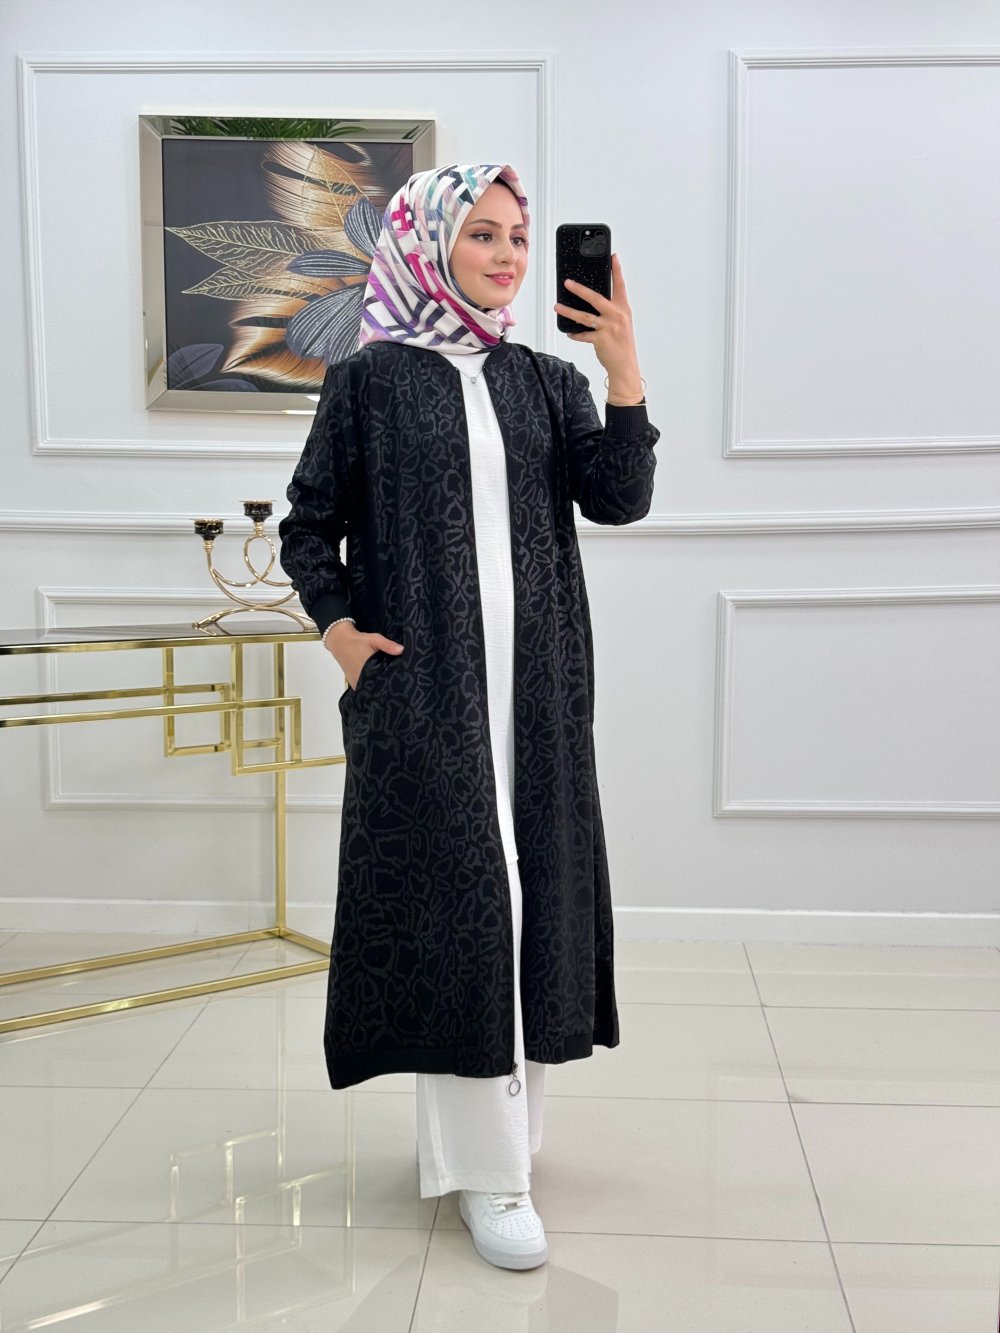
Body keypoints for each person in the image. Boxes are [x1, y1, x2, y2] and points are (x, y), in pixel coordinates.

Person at [278, 163, 659, 1270]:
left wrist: (622, 367)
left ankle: (503, 1147)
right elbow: (309, 525)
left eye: (518, 238)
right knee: (463, 906)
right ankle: (491, 1174)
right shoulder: (370, 381)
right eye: (482, 233)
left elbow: (619, 498)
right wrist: (342, 634)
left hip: (538, 696)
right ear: (428, 241)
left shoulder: (545, 378)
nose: (506, 255)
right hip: (426, 697)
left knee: (533, 899)